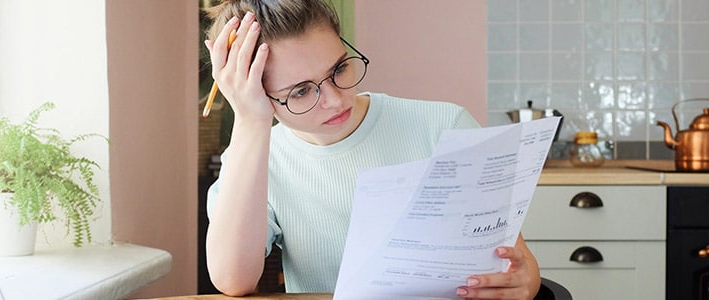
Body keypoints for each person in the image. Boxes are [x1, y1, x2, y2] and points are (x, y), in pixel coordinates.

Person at [203, 0, 541, 298]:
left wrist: (526, 278)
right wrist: (250, 121)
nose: (336, 100)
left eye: (339, 69)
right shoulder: (254, 160)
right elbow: (233, 281)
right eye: (301, 92)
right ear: (257, 94)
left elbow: (513, 257)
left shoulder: (445, 126)